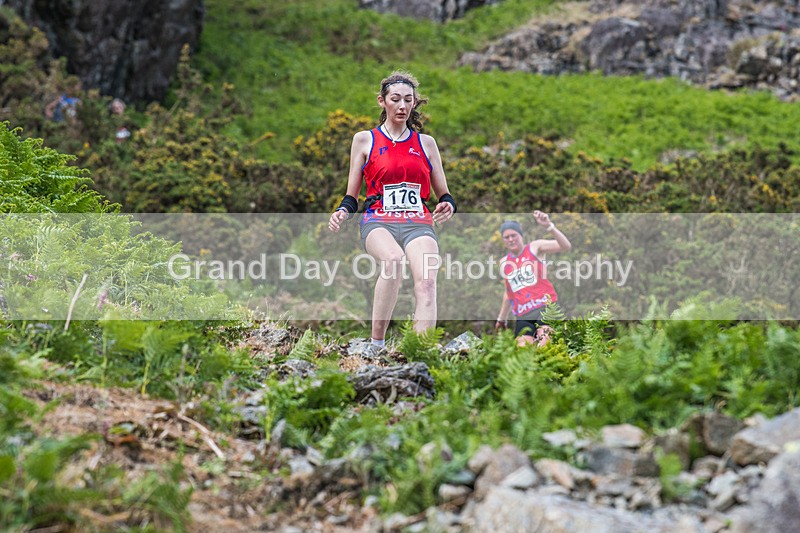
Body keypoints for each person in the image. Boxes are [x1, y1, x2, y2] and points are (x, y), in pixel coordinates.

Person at [328, 71, 457, 350]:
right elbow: (352, 195)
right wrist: (342, 211)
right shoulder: (364, 140)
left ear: (414, 104)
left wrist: (448, 204)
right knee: (393, 261)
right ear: (382, 101)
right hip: (378, 220)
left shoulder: (426, 143)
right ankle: (377, 344)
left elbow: (443, 194)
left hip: (418, 221)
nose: (402, 106)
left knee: (427, 282)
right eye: (395, 99)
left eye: (408, 100)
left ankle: (420, 351)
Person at [496, 211, 571, 346]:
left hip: (545, 306)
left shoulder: (535, 247)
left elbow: (565, 246)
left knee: (544, 346)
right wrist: (502, 319)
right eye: (506, 237)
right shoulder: (503, 262)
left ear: (521, 236)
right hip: (523, 314)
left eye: (513, 235)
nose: (511, 239)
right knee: (522, 353)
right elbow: (508, 293)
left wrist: (549, 227)